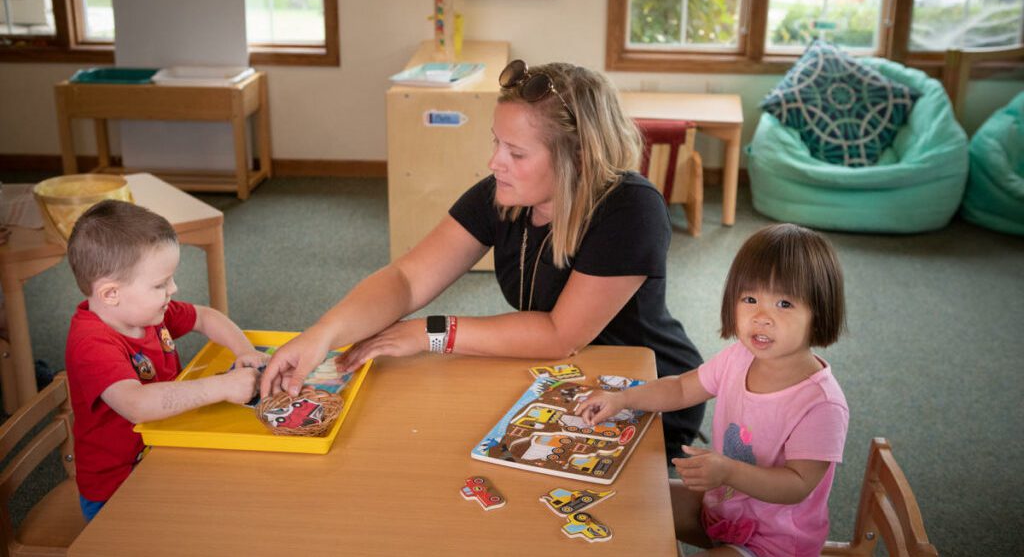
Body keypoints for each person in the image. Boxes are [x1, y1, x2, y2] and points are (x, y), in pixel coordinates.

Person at [261, 59, 706, 453]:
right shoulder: (504, 195)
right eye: (496, 142)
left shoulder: (631, 208)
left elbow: (559, 334)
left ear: (580, 159)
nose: (495, 162)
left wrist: (431, 333)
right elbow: (408, 279)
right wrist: (322, 335)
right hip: (566, 377)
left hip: (649, 388)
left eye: (515, 152)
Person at [576, 223, 849, 556]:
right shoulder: (739, 356)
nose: (761, 317)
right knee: (621, 499)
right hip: (721, 508)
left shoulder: (822, 404)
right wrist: (623, 398)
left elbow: (798, 486)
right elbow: (679, 389)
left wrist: (728, 471)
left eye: (784, 304)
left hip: (774, 542)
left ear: (819, 312)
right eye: (750, 299)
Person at [65, 200, 266, 521]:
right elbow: (137, 404)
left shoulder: (146, 313)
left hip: (166, 447)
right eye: (160, 284)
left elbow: (205, 316)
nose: (174, 288)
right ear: (110, 294)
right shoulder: (92, 343)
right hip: (118, 491)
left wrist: (244, 351)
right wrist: (221, 387)